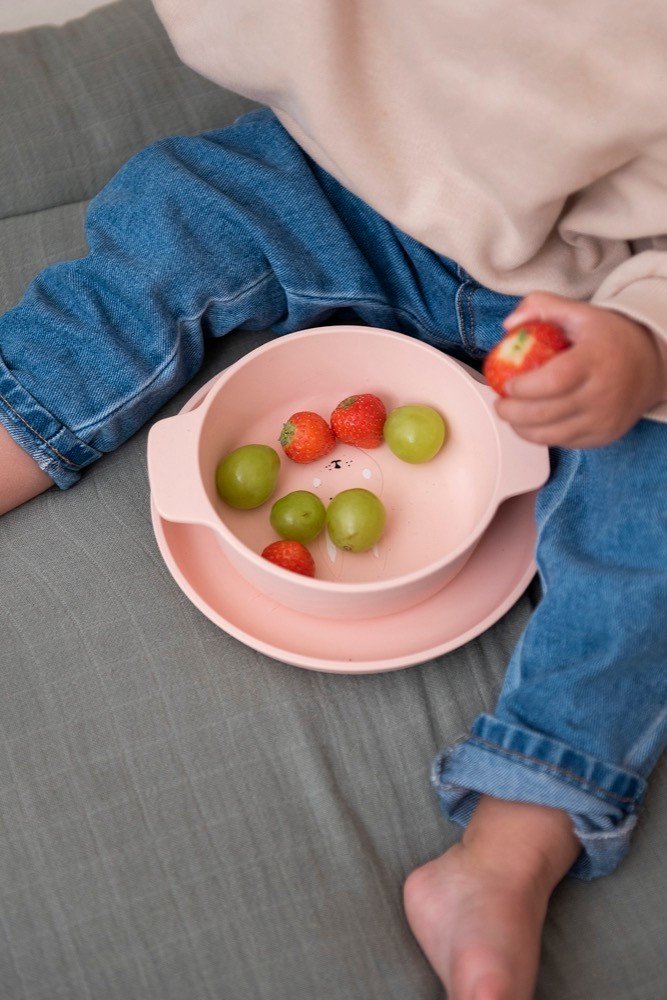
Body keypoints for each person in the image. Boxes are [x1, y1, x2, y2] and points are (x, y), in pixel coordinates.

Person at [1, 2, 666, 996]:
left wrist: (644, 347)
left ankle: (510, 845)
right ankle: (18, 419)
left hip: (608, 294)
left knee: (649, 523)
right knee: (177, 206)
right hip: (353, 191)